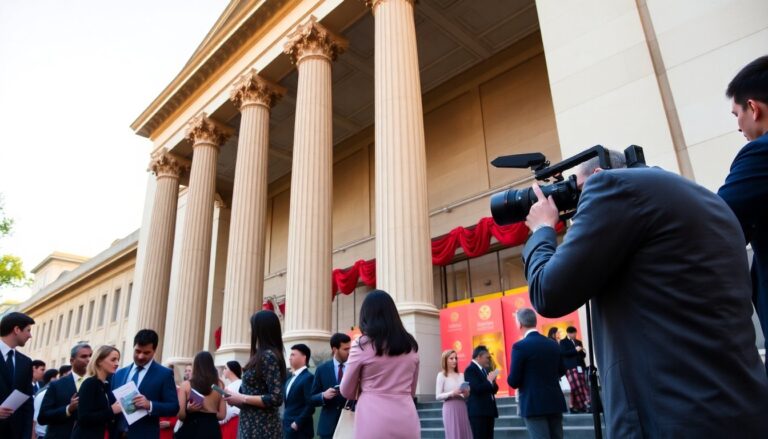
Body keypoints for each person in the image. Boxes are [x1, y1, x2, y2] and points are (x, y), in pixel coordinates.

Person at [522, 149, 768, 435]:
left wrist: (542, 229)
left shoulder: (610, 186)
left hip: (672, 420)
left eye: (574, 190)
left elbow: (548, 292)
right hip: (741, 412)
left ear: (598, 174)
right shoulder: (708, 202)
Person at [717, 55, 768, 375]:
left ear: (753, 108)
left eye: (737, 114)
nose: (738, 125)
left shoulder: (760, 152)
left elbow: (715, 219)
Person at [339, 290, 420, 439]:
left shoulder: (362, 344)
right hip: (406, 416)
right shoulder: (411, 345)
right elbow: (412, 390)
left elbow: (346, 390)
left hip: (373, 417)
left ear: (366, 316)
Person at [223, 311, 285, 439]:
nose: (249, 331)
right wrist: (235, 399)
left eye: (252, 327)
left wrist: (242, 398)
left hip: (262, 428)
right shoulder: (260, 355)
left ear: (261, 330)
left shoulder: (268, 356)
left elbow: (276, 398)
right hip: (250, 424)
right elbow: (253, 396)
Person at [508, 308, 566, 439]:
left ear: (520, 324)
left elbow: (514, 381)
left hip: (533, 404)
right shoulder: (553, 344)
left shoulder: (520, 346)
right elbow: (562, 370)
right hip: (554, 400)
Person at [110, 329, 179, 438]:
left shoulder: (164, 374)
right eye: (137, 351)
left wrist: (149, 405)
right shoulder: (119, 374)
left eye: (146, 353)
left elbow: (174, 407)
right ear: (133, 347)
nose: (141, 356)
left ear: (154, 351)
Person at [38, 343, 92, 439]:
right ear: (72, 361)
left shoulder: (98, 383)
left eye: (91, 356)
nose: (89, 359)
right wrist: (68, 409)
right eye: (84, 356)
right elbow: (43, 417)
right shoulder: (57, 385)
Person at [71, 345, 121, 439]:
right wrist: (112, 410)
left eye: (118, 360)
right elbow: (83, 418)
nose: (117, 363)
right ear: (99, 361)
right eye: (113, 360)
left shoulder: (106, 385)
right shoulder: (90, 383)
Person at [0, 311, 35, 439]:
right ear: (16, 330)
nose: (30, 336)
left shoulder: (26, 362)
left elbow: (28, 403)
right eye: (28, 330)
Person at [175, 351, 226, 439]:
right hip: (212, 430)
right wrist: (209, 412)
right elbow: (222, 415)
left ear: (195, 366)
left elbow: (180, 415)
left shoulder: (186, 385)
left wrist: (189, 410)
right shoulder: (219, 385)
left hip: (192, 428)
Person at [310, 332, 351, 439]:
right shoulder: (321, 369)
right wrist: (323, 395)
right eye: (345, 349)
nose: (349, 352)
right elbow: (311, 398)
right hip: (328, 427)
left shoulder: (354, 367)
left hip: (350, 425)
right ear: (335, 349)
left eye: (350, 348)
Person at [464, 345, 499, 439]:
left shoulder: (485, 370)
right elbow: (476, 389)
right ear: (479, 357)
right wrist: (489, 381)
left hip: (488, 411)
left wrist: (493, 381)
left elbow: (494, 389)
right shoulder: (470, 370)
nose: (489, 360)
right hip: (478, 412)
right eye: (487, 357)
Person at [435, 349, 471, 439]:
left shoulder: (461, 375)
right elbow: (438, 396)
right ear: (445, 360)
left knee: (464, 432)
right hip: (450, 407)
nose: (455, 360)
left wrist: (466, 392)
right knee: (453, 433)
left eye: (456, 358)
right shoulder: (441, 375)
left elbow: (465, 396)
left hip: (462, 406)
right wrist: (452, 393)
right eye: (451, 358)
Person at [282, 344, 315, 438]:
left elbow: (310, 405)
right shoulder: (290, 378)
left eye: (293, 355)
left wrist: (296, 424)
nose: (290, 358)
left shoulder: (308, 377)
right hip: (287, 427)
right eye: (290, 355)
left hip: (300, 430)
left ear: (304, 358)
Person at [558, 327, 589, 413]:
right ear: (569, 333)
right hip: (570, 367)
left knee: (582, 385)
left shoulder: (578, 342)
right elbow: (563, 353)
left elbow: (583, 356)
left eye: (575, 333)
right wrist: (575, 350)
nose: (575, 335)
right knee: (574, 387)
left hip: (580, 367)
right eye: (573, 333)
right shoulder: (563, 342)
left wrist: (581, 350)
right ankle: (574, 406)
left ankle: (582, 405)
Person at [32, 369, 58, 439]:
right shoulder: (43, 393)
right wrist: (33, 435)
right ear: (52, 379)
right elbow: (35, 417)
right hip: (42, 434)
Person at [219, 361, 242, 439]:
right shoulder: (232, 385)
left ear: (231, 370)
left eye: (225, 368)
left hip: (232, 422)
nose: (223, 371)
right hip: (229, 421)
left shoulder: (237, 384)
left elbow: (234, 409)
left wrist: (221, 420)